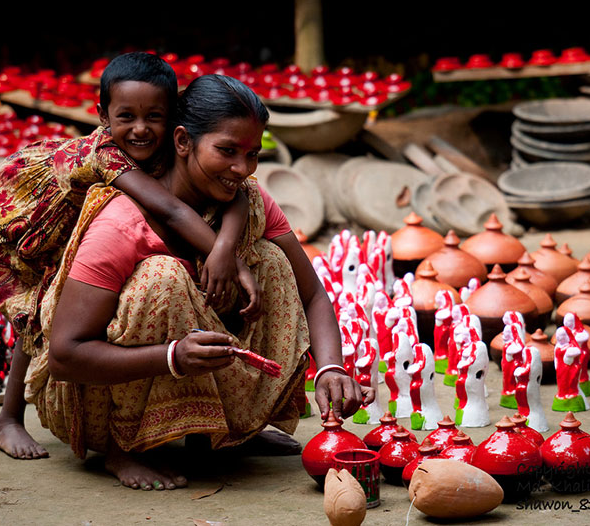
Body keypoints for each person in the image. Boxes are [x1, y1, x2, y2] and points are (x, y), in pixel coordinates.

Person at [24, 74, 368, 490]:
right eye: (227, 151)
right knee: (162, 277)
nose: (242, 169)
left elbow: (312, 294)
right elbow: (65, 356)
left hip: (187, 361)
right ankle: (123, 449)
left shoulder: (249, 200)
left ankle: (223, 432)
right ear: (183, 141)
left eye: (252, 154)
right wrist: (172, 356)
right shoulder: (122, 222)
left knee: (273, 262)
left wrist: (331, 368)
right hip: (90, 400)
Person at [0, 53, 260, 460]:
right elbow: (171, 210)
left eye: (155, 116)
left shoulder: (168, 145)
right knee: (41, 309)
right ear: (102, 115)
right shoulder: (107, 153)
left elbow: (239, 194)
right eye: (126, 116)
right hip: (25, 218)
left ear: (173, 117)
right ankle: (7, 419)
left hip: (84, 214)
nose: (141, 128)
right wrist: (230, 262)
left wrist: (225, 245)